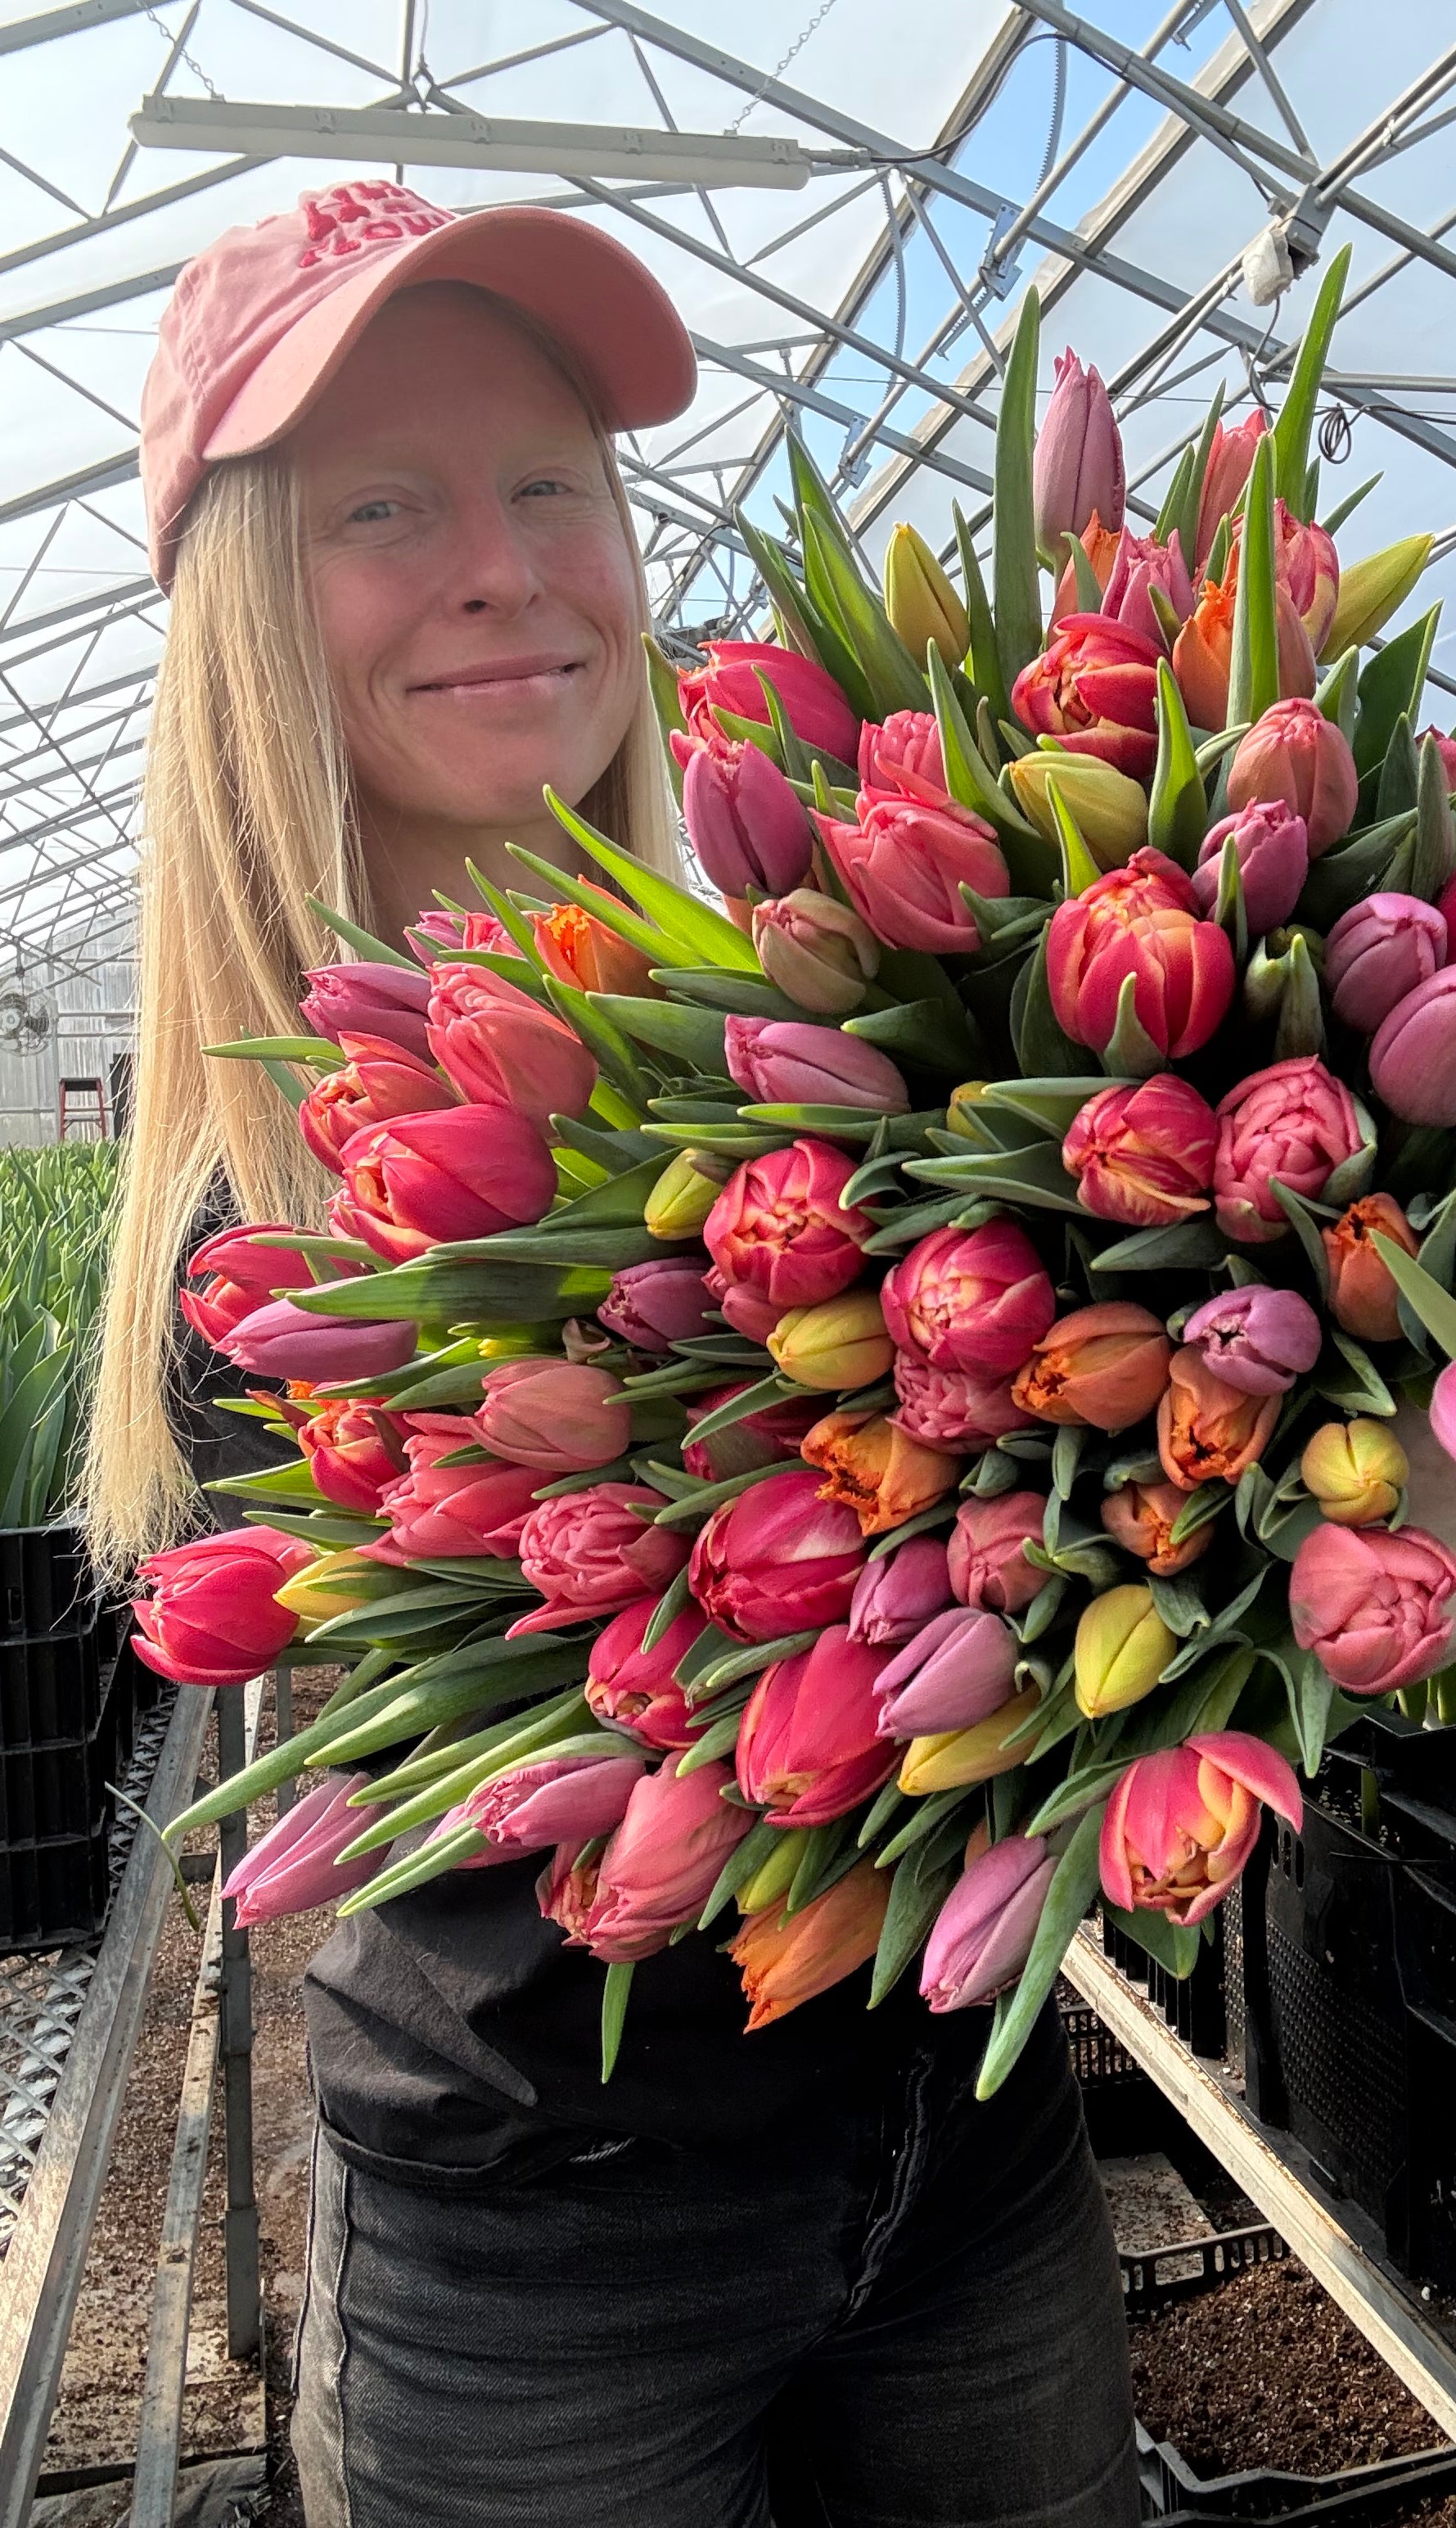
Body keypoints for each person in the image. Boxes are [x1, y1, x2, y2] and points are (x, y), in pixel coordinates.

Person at [85, 181, 1139, 2528]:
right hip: (536, 2265)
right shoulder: (261, 1242)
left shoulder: (822, 986)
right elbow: (759, 1683)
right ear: (248, 616)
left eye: (550, 483)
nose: (503, 564)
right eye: (382, 506)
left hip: (964, 2139)